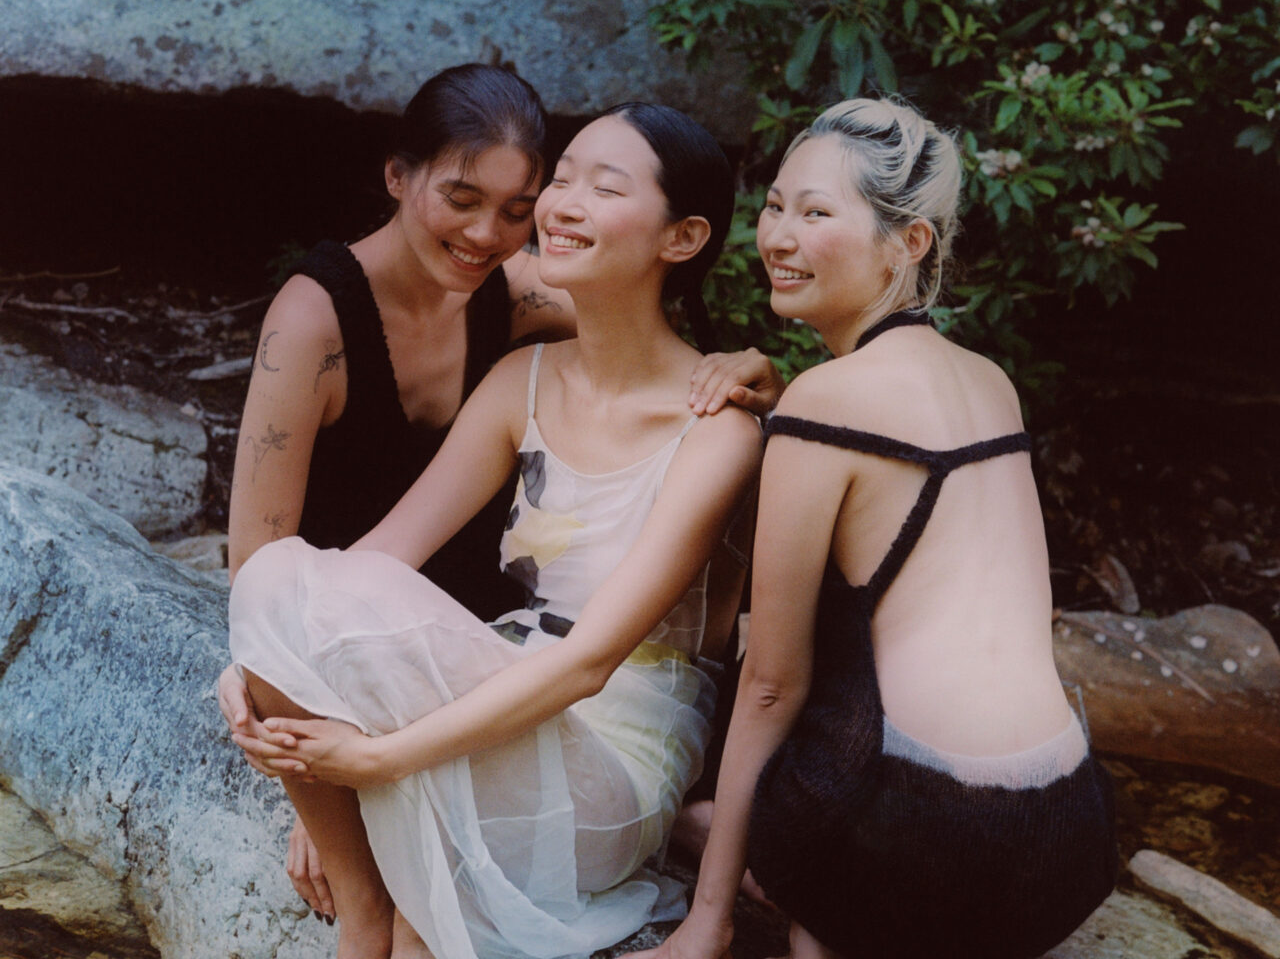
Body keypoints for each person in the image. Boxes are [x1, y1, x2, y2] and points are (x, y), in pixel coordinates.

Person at [215, 64, 779, 920]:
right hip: (480, 668)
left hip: (592, 726)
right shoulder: (477, 360)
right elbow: (334, 561)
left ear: (682, 234)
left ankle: (385, 901)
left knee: (311, 588)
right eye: (565, 182)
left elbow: (592, 660)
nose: (504, 230)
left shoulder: (696, 408)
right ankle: (371, 911)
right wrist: (270, 668)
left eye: (523, 204)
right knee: (280, 576)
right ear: (397, 177)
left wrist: (376, 761)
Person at [630, 98, 1117, 959]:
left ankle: (821, 906)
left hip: (934, 834)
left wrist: (708, 920)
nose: (778, 236)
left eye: (816, 213)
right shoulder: (987, 381)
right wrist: (785, 389)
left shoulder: (829, 404)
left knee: (686, 800)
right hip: (1067, 842)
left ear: (911, 243)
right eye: (775, 206)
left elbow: (774, 686)